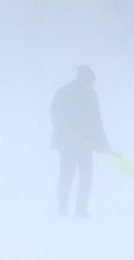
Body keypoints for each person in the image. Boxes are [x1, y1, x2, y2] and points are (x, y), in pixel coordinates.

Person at [50, 65, 110, 218]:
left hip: (85, 144)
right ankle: (62, 210)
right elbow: (56, 116)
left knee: (87, 176)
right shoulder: (64, 93)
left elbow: (97, 121)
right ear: (82, 81)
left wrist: (103, 142)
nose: (91, 86)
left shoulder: (92, 96)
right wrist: (66, 132)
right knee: (67, 175)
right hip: (67, 143)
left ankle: (80, 210)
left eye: (92, 83)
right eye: (89, 82)